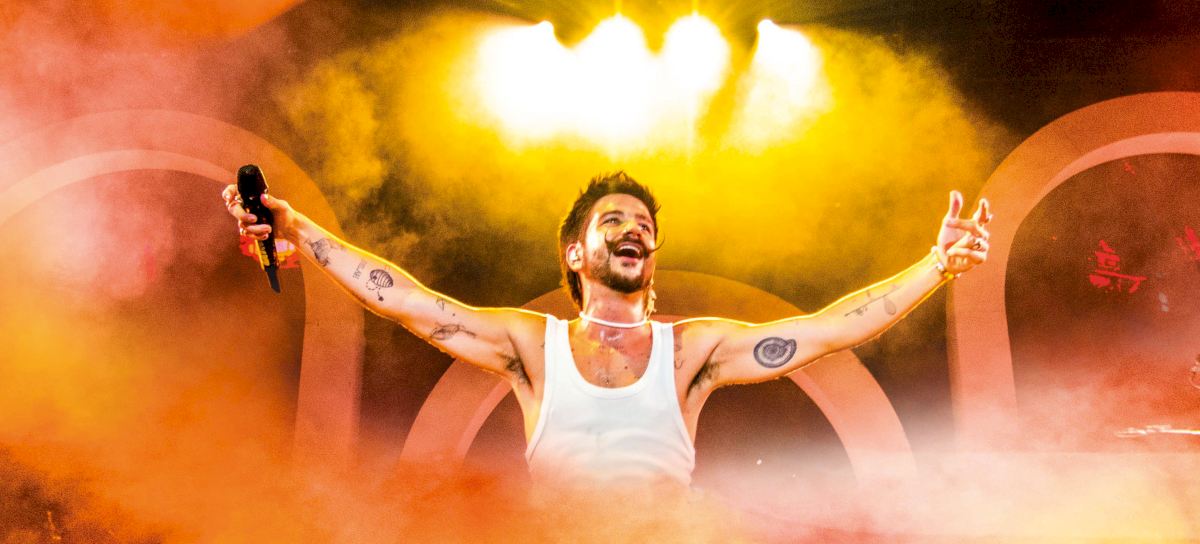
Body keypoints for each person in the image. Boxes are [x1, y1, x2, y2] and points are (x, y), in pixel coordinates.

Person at [222, 171, 991, 491]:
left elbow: (828, 330)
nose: (633, 228)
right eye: (613, 219)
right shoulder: (533, 347)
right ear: (575, 252)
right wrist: (301, 230)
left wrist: (936, 266)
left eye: (644, 224)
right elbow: (410, 303)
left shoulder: (691, 352)